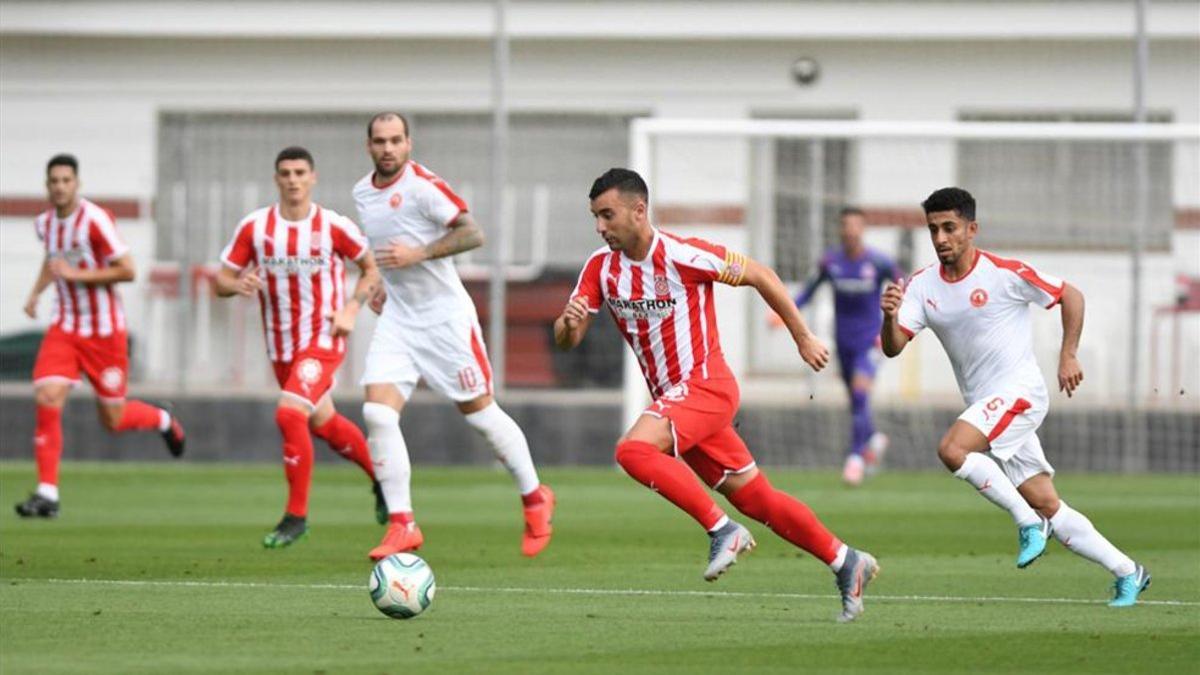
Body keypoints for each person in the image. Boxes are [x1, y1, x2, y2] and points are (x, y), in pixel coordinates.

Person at [555, 168, 879, 623]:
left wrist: (802, 336)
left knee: (632, 451)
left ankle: (722, 529)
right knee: (756, 498)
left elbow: (759, 275)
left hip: (707, 386)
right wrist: (567, 325)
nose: (600, 227)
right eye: (595, 217)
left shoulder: (682, 255)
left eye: (607, 215)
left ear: (638, 210)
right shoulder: (601, 268)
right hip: (680, 404)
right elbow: (567, 338)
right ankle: (846, 560)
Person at [880, 187, 1149, 607]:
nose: (941, 238)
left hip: (1020, 393)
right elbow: (894, 346)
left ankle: (1026, 524)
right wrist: (888, 316)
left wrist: (1068, 354)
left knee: (952, 449)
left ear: (972, 229)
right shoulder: (920, 286)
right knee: (1047, 502)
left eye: (949, 228)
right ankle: (1128, 571)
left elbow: (1070, 295)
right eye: (933, 229)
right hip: (986, 407)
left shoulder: (1003, 273)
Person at [354, 112, 554, 561]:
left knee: (481, 416)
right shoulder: (362, 193)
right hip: (400, 321)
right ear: (368, 146)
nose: (388, 149)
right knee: (378, 413)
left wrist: (419, 253)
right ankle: (403, 523)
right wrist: (386, 281)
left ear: (409, 143)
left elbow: (472, 232)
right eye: (380, 141)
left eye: (396, 140)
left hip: (445, 321)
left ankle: (535, 496)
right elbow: (389, 244)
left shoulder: (424, 186)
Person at [214, 146, 383, 548]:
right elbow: (221, 279)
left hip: (323, 337)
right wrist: (237, 285)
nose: (293, 179)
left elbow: (372, 267)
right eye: (285, 173)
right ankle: (382, 479)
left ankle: (296, 516)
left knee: (290, 415)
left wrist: (351, 308)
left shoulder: (331, 225)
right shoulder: (256, 228)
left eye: (300, 172)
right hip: (281, 345)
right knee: (322, 423)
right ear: (277, 179)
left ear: (313, 178)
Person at [15, 154, 186, 519]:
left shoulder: (94, 220)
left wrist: (76, 277)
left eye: (66, 180)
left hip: (104, 333)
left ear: (77, 184)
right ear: (48, 186)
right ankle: (48, 494)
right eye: (54, 181)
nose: (60, 187)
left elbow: (127, 270)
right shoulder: (45, 223)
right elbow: (53, 260)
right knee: (47, 393)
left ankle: (162, 420)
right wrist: (36, 292)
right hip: (65, 327)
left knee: (113, 418)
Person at [771, 207, 899, 485]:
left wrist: (897, 318)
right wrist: (783, 315)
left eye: (855, 225)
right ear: (841, 229)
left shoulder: (878, 263)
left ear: (862, 229)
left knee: (860, 392)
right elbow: (808, 291)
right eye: (846, 225)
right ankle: (874, 438)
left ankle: (855, 458)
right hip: (843, 342)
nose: (850, 230)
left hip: (871, 341)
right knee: (855, 401)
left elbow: (904, 282)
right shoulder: (830, 262)